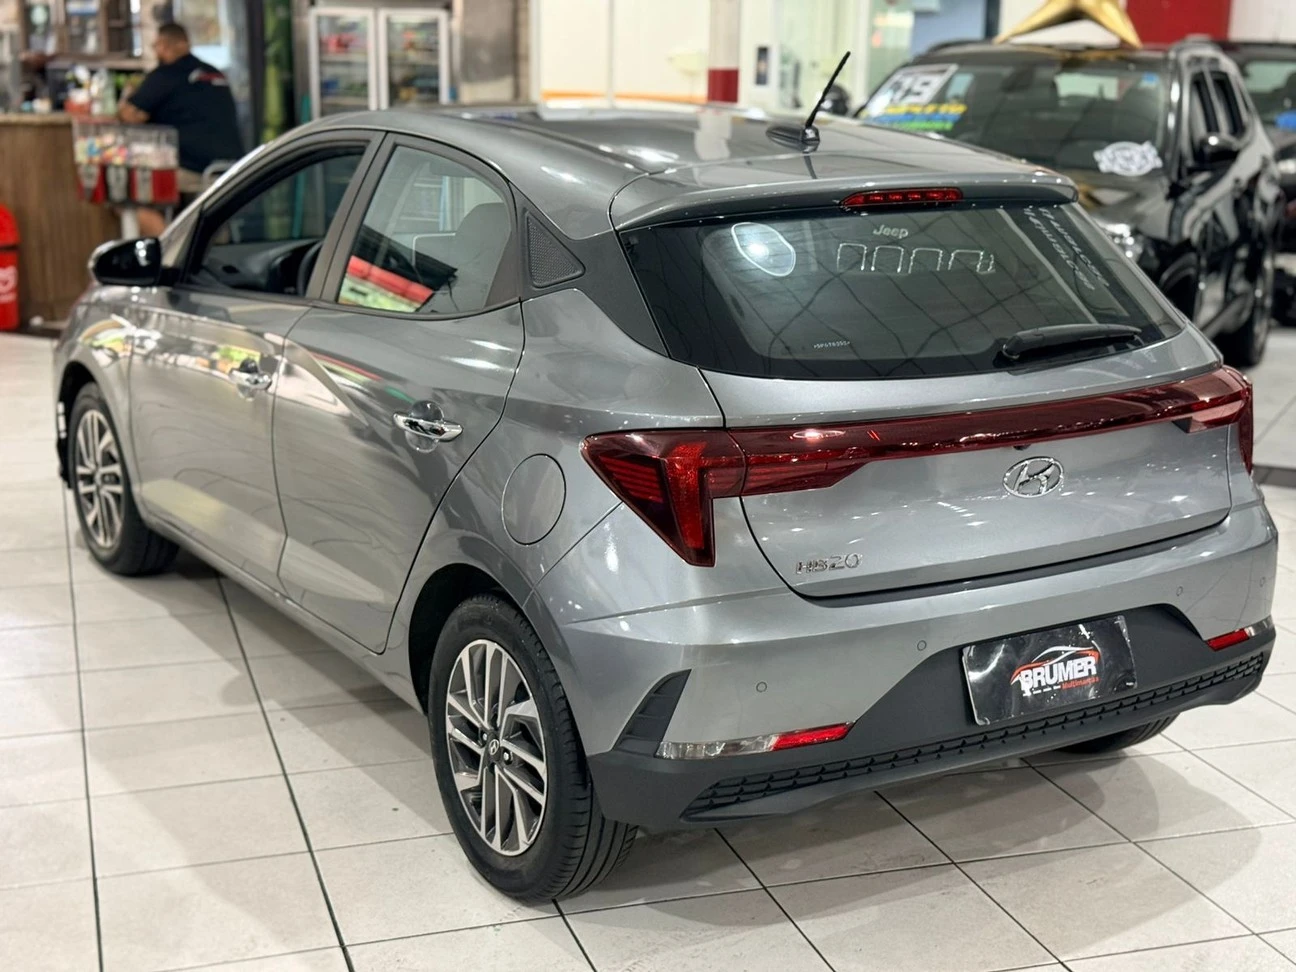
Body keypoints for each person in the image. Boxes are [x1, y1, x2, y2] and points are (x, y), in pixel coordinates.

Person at [118, 22, 243, 236]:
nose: (156, 51)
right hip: (234, 166)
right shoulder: (214, 73)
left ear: (164, 45)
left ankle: (171, 251)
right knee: (208, 206)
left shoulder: (166, 75)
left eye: (157, 46)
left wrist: (126, 98)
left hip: (192, 167)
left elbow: (131, 115)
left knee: (131, 196)